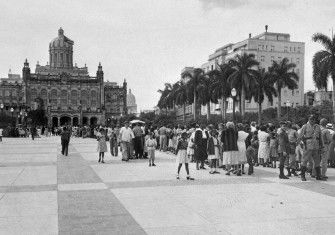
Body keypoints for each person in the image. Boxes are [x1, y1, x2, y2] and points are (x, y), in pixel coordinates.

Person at [299, 115, 324, 181]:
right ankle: (302, 176)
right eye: (311, 119)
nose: (312, 120)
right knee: (304, 160)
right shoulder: (305, 126)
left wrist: (322, 146)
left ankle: (318, 176)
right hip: (308, 146)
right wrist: (303, 143)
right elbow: (300, 136)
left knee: (317, 161)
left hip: (316, 146)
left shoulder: (317, 127)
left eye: (313, 119)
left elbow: (320, 137)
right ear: (309, 119)